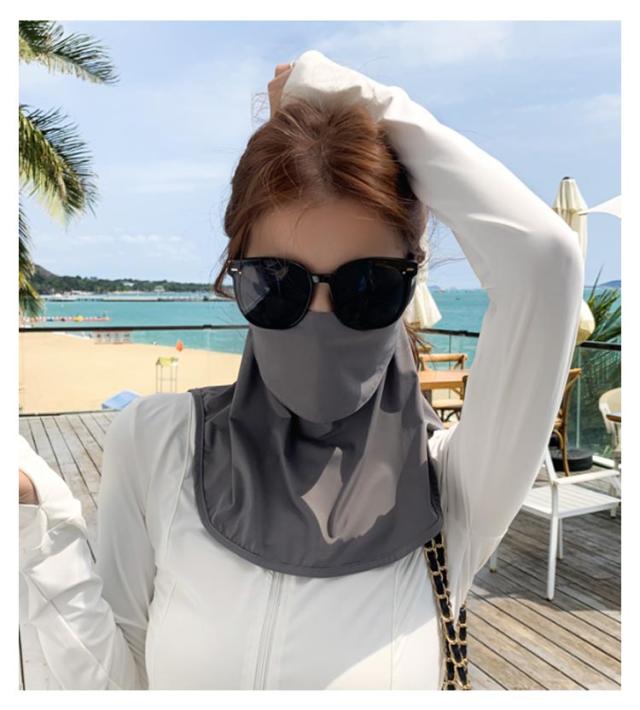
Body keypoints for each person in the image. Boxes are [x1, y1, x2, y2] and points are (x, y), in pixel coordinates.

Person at [18, 49, 584, 690]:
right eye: (276, 284)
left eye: (368, 286)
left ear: (409, 283)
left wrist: (352, 98)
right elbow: (120, 682)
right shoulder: (158, 442)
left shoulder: (450, 485)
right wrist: (40, 530)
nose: (319, 319)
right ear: (237, 275)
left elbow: (546, 258)